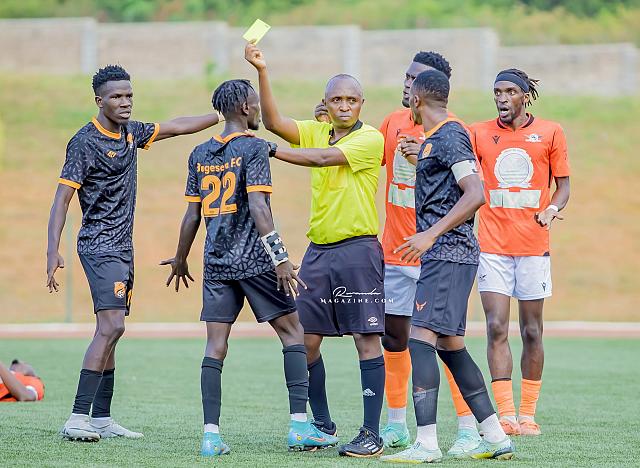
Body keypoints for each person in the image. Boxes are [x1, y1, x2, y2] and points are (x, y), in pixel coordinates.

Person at [316, 51, 482, 455]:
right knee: (394, 338)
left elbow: (472, 192)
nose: (407, 83)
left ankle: (467, 429)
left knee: (445, 340)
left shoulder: (452, 131)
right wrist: (327, 125)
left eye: (415, 79)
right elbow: (361, 156)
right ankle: (395, 425)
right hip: (394, 250)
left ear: (431, 89)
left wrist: (421, 155)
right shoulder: (390, 123)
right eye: (406, 76)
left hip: (436, 253)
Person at [161, 79, 338, 456]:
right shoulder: (254, 148)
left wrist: (180, 257)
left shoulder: (199, 153)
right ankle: (299, 427)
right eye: (255, 104)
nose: (258, 109)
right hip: (255, 260)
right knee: (293, 333)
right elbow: (258, 207)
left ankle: (210, 437)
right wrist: (280, 258)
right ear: (244, 108)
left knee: (215, 346)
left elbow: (192, 215)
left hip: (216, 262)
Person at [46, 64, 223, 442]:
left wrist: (221, 116)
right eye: (116, 97)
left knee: (112, 331)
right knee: (112, 326)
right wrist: (52, 249)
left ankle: (101, 419)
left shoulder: (131, 133)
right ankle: (77, 417)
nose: (125, 102)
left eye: (129, 95)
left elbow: (175, 127)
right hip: (99, 247)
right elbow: (62, 198)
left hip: (123, 249)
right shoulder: (84, 142)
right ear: (99, 101)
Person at [245, 43, 386, 458]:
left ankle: (371, 433)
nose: (344, 106)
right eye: (336, 99)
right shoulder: (316, 130)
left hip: (359, 250)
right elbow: (273, 122)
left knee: (366, 339)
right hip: (319, 252)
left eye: (351, 100)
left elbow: (323, 159)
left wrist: (272, 151)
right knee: (305, 340)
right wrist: (262, 70)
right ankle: (322, 425)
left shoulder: (370, 138)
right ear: (325, 103)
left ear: (361, 104)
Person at [381, 69, 514, 463]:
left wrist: (430, 234)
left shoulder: (451, 134)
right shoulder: (436, 139)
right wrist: (421, 155)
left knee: (419, 340)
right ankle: (495, 436)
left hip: (448, 253)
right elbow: (448, 182)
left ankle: (426, 443)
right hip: (449, 255)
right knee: (451, 346)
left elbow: (475, 194)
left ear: (417, 100)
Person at [470, 69, 570, 436]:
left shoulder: (551, 132)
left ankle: (528, 414)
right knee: (496, 326)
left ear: (525, 96)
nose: (502, 97)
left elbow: (563, 186)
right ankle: (506, 414)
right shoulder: (478, 132)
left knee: (531, 330)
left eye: (510, 91)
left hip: (532, 247)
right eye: (497, 91)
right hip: (492, 247)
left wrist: (551, 209)